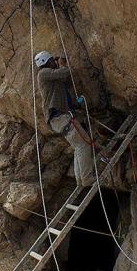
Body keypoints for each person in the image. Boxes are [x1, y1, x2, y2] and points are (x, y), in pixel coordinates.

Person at [34, 50, 95, 188]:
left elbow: (64, 82)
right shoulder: (43, 74)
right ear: (47, 62)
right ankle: (86, 178)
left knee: (77, 146)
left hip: (59, 118)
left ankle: (80, 180)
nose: (54, 63)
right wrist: (62, 64)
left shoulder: (52, 79)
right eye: (52, 61)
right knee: (83, 144)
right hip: (59, 117)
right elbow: (64, 73)